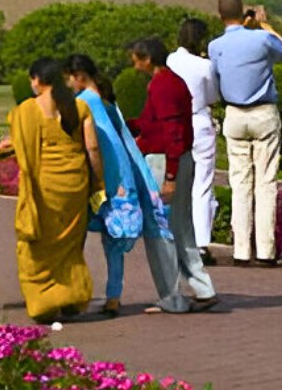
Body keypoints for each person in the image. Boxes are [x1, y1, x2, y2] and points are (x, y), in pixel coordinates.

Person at [63, 55, 189, 316]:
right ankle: (113, 295)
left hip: (101, 181)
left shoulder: (84, 103)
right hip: (124, 181)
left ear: (77, 76)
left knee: (76, 238)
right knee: (113, 244)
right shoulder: (107, 101)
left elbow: (92, 146)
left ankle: (74, 294)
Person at [0, 58, 97, 323]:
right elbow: (93, 149)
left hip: (44, 186)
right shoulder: (78, 107)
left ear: (37, 79)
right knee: (69, 245)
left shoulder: (27, 111)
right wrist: (98, 182)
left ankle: (45, 301)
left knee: (37, 245)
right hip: (75, 185)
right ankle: (72, 297)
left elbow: (18, 144)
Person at [126, 38, 217, 308]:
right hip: (179, 158)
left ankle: (171, 296)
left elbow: (172, 131)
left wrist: (170, 177)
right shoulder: (173, 81)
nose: (133, 63)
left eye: (136, 57)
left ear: (146, 58)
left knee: (161, 231)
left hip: (167, 160)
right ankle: (202, 288)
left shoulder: (162, 85)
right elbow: (151, 123)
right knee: (181, 227)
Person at [208, 0, 282, 267]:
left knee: (240, 183)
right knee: (266, 182)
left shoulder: (215, 45)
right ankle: (266, 251)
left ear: (221, 16)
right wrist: (264, 25)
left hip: (234, 113)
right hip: (263, 112)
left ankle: (241, 250)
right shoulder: (260, 39)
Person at [167, 19, 221, 262]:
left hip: (175, 124)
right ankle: (200, 242)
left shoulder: (170, 61)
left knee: (177, 183)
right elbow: (213, 96)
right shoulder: (204, 66)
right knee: (202, 185)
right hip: (198, 122)